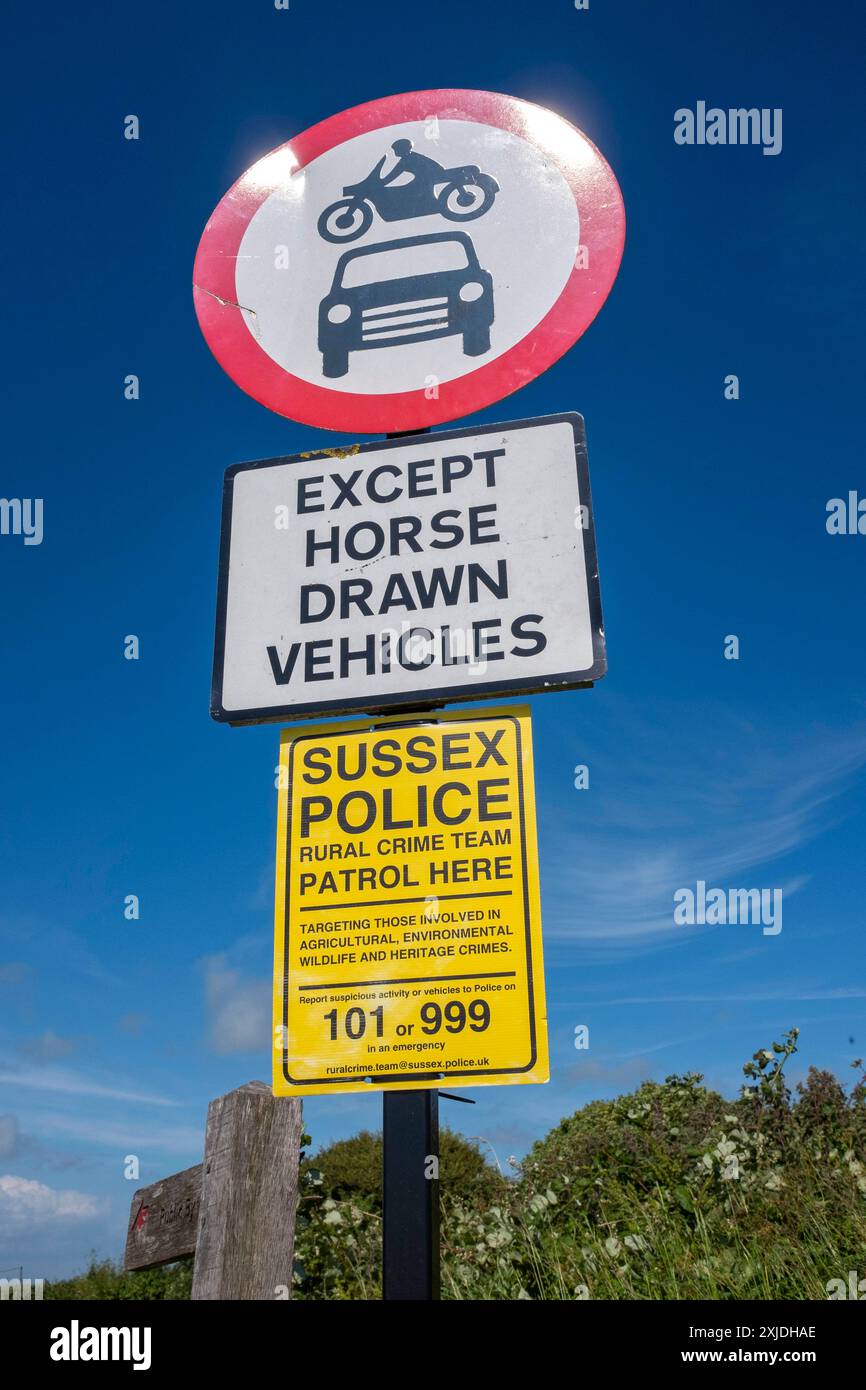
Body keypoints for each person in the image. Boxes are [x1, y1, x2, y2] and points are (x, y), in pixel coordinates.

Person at [376, 139, 447, 196]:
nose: (395, 152)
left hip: (427, 179)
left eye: (396, 149)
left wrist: (377, 184)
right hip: (426, 177)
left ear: (401, 149)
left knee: (405, 191)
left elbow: (392, 176)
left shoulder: (405, 161)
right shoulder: (411, 156)